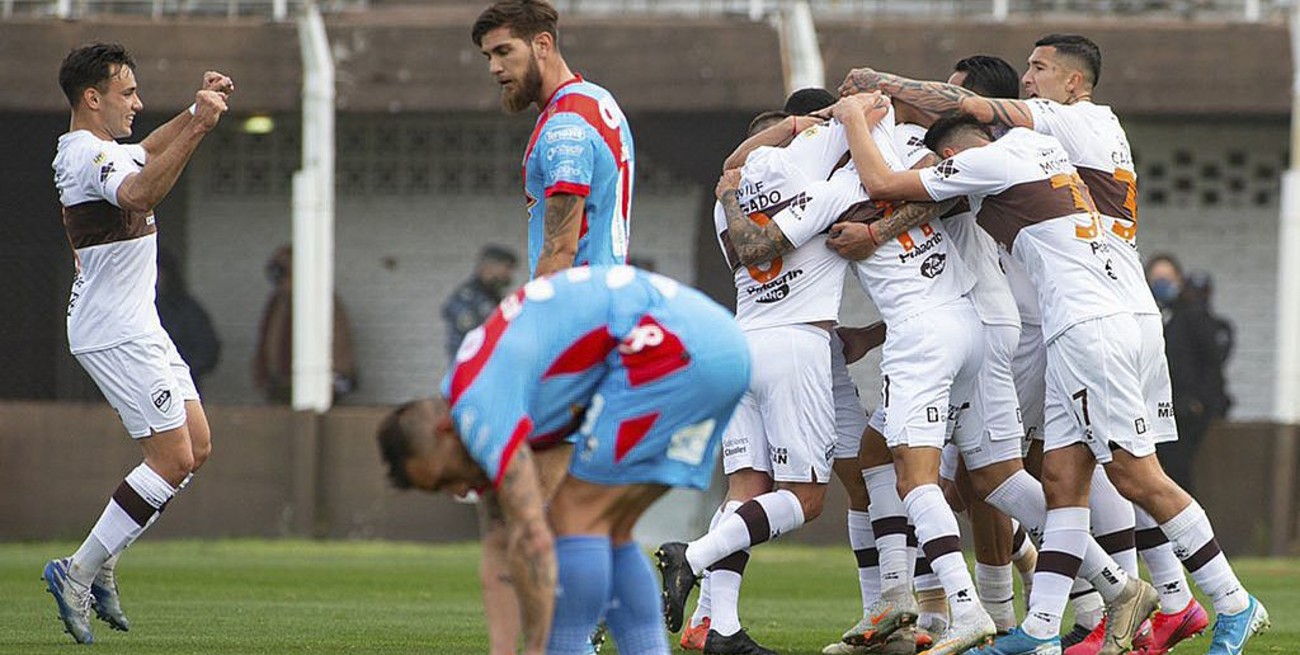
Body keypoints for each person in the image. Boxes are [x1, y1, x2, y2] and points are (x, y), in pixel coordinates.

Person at [843, 100, 1268, 655]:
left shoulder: (986, 162)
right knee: (1064, 480)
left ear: (949, 155)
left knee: (1137, 477)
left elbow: (880, 180)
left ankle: (1232, 601)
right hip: (1106, 314)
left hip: (1089, 324)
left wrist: (855, 116)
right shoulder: (1041, 146)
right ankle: (1040, 627)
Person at [376, 265, 750, 655]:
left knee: (572, 518)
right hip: (722, 345)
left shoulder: (477, 410)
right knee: (612, 532)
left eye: (444, 479)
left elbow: (533, 536)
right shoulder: (474, 389)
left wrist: (539, 646)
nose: (458, 490)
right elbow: (499, 541)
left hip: (670, 352)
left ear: (444, 432)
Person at [45, 42, 229, 644]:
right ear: (92, 98)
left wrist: (193, 111)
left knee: (196, 447)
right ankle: (76, 572)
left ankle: (102, 561)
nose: (138, 103)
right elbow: (140, 192)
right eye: (128, 93)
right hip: (113, 329)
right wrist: (199, 126)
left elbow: (144, 151)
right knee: (170, 459)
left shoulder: (103, 149)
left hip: (137, 323)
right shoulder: (82, 155)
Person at [472, 0, 635, 278]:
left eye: (504, 51)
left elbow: (560, 250)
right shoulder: (596, 99)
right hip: (606, 291)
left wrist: (540, 316)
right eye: (489, 57)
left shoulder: (565, 126)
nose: (494, 68)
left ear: (542, 45)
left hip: (579, 304)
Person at [1147, 255, 1233, 496]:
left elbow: (1211, 361)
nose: (1162, 284)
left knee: (1177, 471)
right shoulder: (1150, 316)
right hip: (1154, 408)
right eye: (1157, 278)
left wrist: (1199, 402)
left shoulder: (1192, 316)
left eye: (1167, 278)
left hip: (1185, 411)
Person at [252, 245, 358, 404]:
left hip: (317, 387)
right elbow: (266, 341)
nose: (280, 281)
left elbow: (340, 345)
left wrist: (336, 377)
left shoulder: (322, 301)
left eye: (285, 272)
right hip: (281, 386)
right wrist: (263, 376)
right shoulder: (277, 304)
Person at [155, 249, 220, 393]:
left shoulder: (186, 310)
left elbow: (207, 350)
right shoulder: (133, 309)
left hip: (181, 391)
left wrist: (179, 373)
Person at [441, 245, 519, 364]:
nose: (509, 275)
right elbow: (477, 333)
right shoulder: (466, 297)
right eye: (506, 268)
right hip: (470, 370)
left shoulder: (495, 298)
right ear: (489, 267)